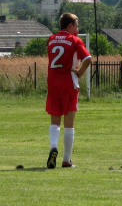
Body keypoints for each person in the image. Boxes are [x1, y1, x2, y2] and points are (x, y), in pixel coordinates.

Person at [45, 13, 91, 168]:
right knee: (69, 123)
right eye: (76, 26)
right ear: (70, 26)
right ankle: (66, 160)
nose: (78, 29)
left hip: (52, 83)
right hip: (68, 83)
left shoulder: (51, 39)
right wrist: (79, 73)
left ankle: (53, 147)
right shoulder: (75, 40)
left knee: (55, 121)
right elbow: (88, 59)